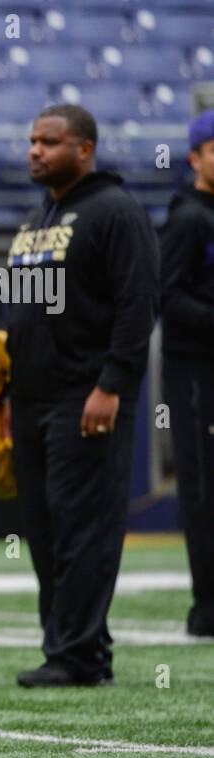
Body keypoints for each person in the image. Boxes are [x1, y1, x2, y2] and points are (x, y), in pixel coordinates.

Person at [0, 104, 160, 686]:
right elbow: (21, 315)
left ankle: (80, 655)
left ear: (84, 148)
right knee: (44, 529)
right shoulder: (34, 221)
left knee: (82, 526)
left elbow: (138, 305)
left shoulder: (116, 213)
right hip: (34, 398)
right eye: (32, 140)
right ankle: (67, 645)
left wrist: (112, 384)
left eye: (49, 141)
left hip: (86, 395)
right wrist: (7, 392)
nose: (35, 150)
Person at [158, 110, 214, 638]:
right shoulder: (188, 218)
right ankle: (207, 606)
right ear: (195, 157)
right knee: (201, 487)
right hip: (196, 373)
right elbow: (167, 297)